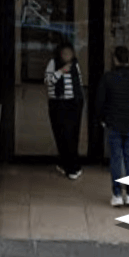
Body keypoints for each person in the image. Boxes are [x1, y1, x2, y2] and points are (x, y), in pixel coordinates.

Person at [95, 45, 129, 208]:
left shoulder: (108, 78)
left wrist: (102, 119)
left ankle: (117, 194)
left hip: (113, 123)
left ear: (115, 59)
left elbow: (99, 102)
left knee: (116, 160)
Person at [44, 41, 84, 180]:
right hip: (58, 103)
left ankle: (72, 166)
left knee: (72, 134)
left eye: (70, 53)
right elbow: (48, 81)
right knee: (61, 134)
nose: (68, 56)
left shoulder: (75, 65)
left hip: (74, 103)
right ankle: (66, 163)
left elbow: (78, 82)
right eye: (65, 53)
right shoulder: (53, 63)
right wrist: (60, 72)